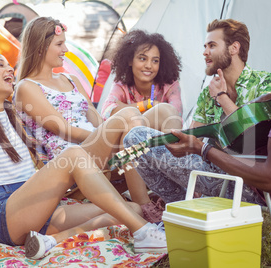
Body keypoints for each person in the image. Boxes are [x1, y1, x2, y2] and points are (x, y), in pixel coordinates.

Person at [0, 51, 168, 260]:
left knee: (130, 209)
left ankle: (51, 241)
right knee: (73, 155)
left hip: (35, 208)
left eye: (9, 64)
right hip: (4, 213)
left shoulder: (11, 116)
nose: (10, 68)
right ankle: (145, 232)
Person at [123, 0, 271, 209]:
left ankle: (182, 213)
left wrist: (205, 146)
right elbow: (194, 135)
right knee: (151, 139)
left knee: (135, 138)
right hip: (260, 179)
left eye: (212, 46)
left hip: (251, 187)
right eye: (205, 46)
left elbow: (270, 173)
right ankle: (181, 214)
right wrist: (192, 145)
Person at [14, 17, 164, 223]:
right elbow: (62, 129)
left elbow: (97, 119)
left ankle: (173, 192)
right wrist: (110, 134)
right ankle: (144, 205)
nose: (65, 49)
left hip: (96, 147)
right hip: (70, 158)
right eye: (59, 44)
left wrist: (111, 133)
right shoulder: (27, 87)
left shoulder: (70, 80)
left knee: (163, 111)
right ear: (40, 48)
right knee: (128, 117)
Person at [191, 19, 271, 129]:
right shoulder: (207, 93)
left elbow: (256, 134)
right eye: (205, 46)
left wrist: (221, 97)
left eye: (212, 45)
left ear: (234, 48)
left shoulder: (266, 82)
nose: (205, 52)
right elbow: (191, 139)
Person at [101, 29, 183, 132]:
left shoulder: (170, 86)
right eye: (143, 59)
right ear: (130, 60)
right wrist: (148, 104)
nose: (149, 66)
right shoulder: (121, 85)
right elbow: (106, 112)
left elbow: (175, 117)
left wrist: (125, 108)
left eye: (155, 61)